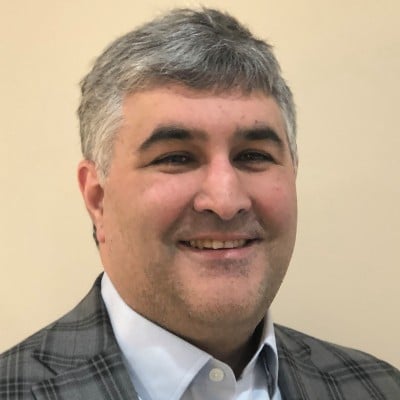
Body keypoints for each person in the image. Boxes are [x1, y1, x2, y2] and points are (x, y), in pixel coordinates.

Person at [0, 7, 398, 400]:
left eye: (253, 156)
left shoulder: (379, 387)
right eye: (176, 158)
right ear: (97, 198)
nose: (226, 201)